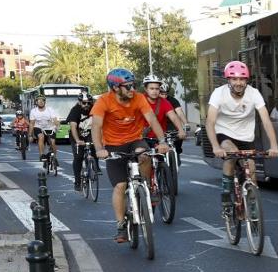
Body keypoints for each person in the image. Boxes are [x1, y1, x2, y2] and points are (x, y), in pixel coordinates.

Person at [89, 68, 170, 243]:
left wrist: (162, 141)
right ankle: (120, 225)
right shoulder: (103, 101)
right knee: (120, 186)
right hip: (112, 145)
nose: (132, 89)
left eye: (133, 85)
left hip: (135, 140)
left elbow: (152, 120)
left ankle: (147, 186)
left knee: (145, 155)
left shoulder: (139, 98)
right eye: (127, 86)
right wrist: (99, 149)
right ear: (115, 88)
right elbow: (96, 126)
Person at [206, 61, 278, 214]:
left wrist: (274, 145)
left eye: (242, 79)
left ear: (247, 81)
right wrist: (216, 147)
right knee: (231, 154)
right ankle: (226, 194)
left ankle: (253, 210)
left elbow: (265, 120)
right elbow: (210, 122)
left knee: (250, 170)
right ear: (228, 80)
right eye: (234, 79)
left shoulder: (254, 94)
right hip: (224, 132)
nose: (238, 83)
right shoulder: (218, 94)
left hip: (246, 136)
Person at [141, 75, 187, 152]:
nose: (154, 91)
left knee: (168, 154)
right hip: (142, 138)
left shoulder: (164, 102)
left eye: (157, 89)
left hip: (160, 138)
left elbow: (174, 116)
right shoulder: (140, 100)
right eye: (151, 88)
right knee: (142, 158)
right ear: (146, 89)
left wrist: (181, 129)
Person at [66, 91, 96, 191]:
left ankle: (94, 165)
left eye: (89, 102)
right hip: (77, 135)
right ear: (79, 102)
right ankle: (77, 181)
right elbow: (73, 127)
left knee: (95, 147)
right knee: (78, 157)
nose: (86, 105)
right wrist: (77, 140)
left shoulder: (94, 109)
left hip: (89, 133)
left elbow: (100, 125)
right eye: (84, 103)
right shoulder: (75, 110)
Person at [28, 95, 59, 167]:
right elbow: (32, 123)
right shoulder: (33, 111)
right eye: (39, 101)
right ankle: (42, 155)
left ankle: (54, 157)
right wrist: (30, 135)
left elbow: (55, 120)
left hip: (50, 128)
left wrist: (57, 126)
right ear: (36, 102)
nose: (41, 102)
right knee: (41, 137)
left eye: (42, 101)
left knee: (52, 142)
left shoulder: (50, 110)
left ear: (45, 102)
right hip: (38, 127)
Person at [159, 83, 188, 158]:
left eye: (166, 94)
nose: (164, 96)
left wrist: (186, 123)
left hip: (171, 124)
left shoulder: (172, 100)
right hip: (159, 124)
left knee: (179, 136)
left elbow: (179, 112)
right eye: (162, 94)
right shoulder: (155, 101)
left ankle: (177, 152)